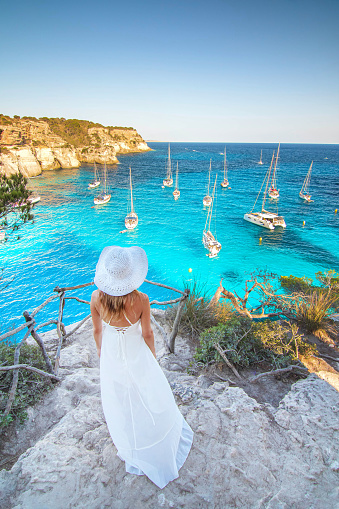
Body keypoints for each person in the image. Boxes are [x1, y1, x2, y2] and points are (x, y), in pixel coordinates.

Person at [90, 245, 193, 489]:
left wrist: (101, 352)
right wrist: (152, 358)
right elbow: (147, 333)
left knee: (120, 393)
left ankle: (130, 437)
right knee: (146, 388)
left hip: (112, 348)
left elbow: (96, 330)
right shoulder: (141, 300)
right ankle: (154, 431)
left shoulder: (96, 298)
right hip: (135, 348)